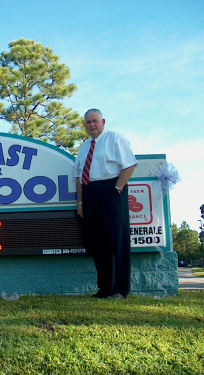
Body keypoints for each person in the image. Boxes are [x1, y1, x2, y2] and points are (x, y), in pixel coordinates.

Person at [74, 109, 137, 299]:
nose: (91, 125)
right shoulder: (84, 146)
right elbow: (78, 175)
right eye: (87, 122)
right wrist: (80, 201)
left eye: (94, 121)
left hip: (111, 189)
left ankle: (120, 289)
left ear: (103, 121)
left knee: (117, 240)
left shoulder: (115, 139)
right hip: (90, 192)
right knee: (97, 242)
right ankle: (105, 288)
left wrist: (117, 189)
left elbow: (130, 165)